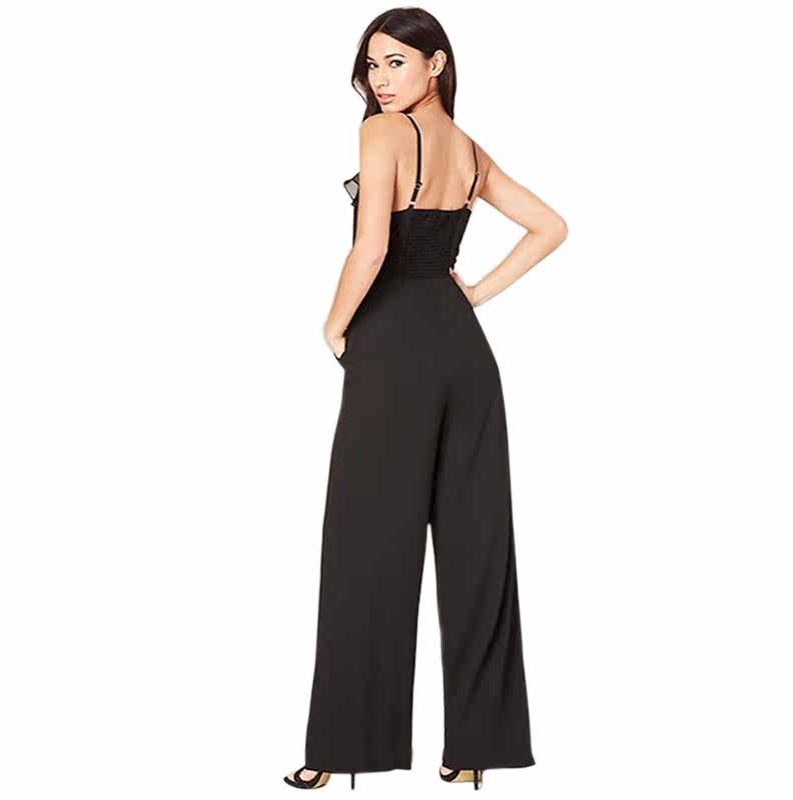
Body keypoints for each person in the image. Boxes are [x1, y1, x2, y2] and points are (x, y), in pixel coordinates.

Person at [284, 7, 568, 791]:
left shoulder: (383, 134)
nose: (380, 80)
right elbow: (550, 227)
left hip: (393, 349)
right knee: (479, 549)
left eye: (396, 62)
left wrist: (333, 327)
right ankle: (475, 748)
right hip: (464, 354)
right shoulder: (469, 151)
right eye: (372, 65)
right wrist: (471, 296)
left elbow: (371, 246)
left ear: (436, 64)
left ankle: (342, 750)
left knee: (366, 547)